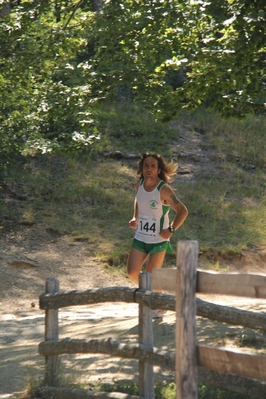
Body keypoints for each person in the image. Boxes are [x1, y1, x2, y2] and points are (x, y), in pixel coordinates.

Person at [127, 152, 188, 318]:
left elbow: (183, 211)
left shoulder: (164, 189)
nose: (149, 169)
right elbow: (139, 199)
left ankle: (158, 305)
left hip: (159, 240)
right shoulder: (138, 184)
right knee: (132, 272)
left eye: (153, 166)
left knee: (150, 274)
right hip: (141, 236)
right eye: (146, 166)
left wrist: (171, 229)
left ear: (158, 169)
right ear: (142, 168)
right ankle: (156, 294)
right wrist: (135, 216)